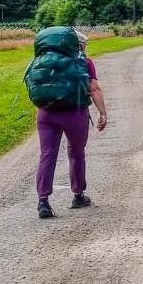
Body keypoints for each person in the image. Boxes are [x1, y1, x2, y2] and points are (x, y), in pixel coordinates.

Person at [35, 31, 108, 219]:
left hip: (46, 113)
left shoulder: (43, 60)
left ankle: (43, 200)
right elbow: (94, 88)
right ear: (79, 45)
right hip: (74, 113)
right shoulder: (85, 62)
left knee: (47, 154)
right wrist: (102, 113)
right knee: (76, 153)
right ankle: (78, 195)